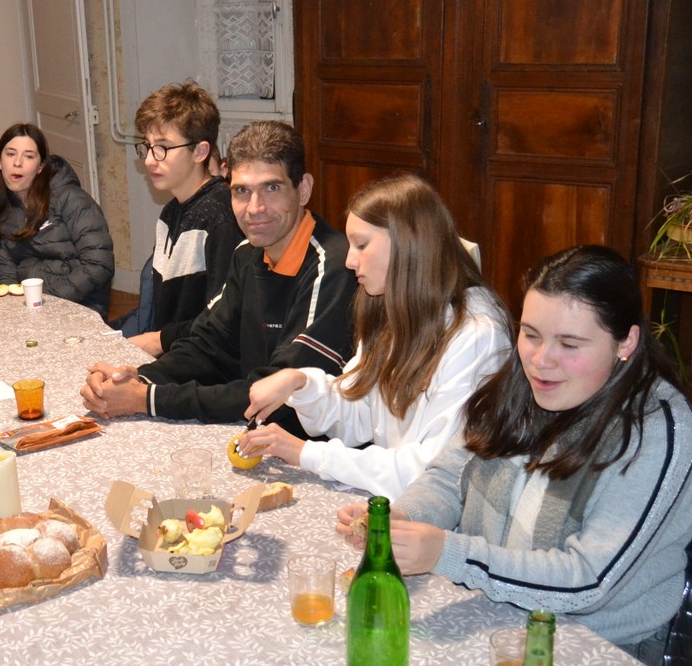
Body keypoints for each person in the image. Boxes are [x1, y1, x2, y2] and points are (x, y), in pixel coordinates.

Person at [337, 246, 692, 663]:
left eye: (569, 344)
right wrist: (406, 519)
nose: (541, 361)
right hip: (494, 613)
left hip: (597, 649)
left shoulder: (655, 431)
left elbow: (588, 580)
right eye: (530, 335)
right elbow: (449, 477)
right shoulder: (518, 385)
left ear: (626, 342)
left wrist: (448, 553)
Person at [237, 173, 510, 497]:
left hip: (437, 517)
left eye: (362, 245)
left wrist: (306, 453)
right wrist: (300, 382)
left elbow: (432, 472)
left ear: (408, 244)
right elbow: (358, 413)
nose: (349, 260)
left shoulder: (477, 336)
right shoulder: (393, 308)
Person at [81, 120, 355, 430]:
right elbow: (208, 346)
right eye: (242, 191)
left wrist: (148, 398)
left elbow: (279, 396)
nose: (255, 208)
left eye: (272, 188)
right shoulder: (247, 253)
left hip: (311, 446)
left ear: (303, 189)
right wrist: (138, 380)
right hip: (257, 433)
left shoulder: (333, 267)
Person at [124, 81, 242, 355]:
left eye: (162, 147)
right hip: (174, 354)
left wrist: (159, 341)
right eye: (148, 146)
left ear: (200, 151)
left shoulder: (220, 217)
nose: (150, 160)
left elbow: (224, 320)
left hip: (205, 364)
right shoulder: (170, 212)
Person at [0, 122, 114, 314]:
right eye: (10, 154)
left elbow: (99, 265)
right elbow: (4, 273)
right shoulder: (1, 212)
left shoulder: (72, 199)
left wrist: (46, 302)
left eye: (29, 156)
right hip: (31, 309)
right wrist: (14, 309)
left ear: (41, 166)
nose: (17, 162)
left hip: (80, 308)